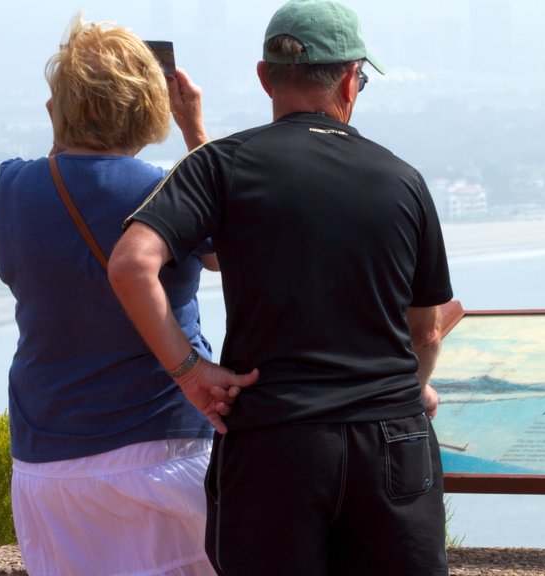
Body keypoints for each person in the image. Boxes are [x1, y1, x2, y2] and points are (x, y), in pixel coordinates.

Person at [108, 1, 453, 574]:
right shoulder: (403, 180)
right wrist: (409, 390)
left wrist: (190, 373)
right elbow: (427, 332)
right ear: (350, 80)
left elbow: (130, 266)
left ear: (265, 76)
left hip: (274, 445)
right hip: (391, 447)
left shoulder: (220, 166)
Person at [0, 14, 233, 576]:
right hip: (161, 449)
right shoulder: (168, 189)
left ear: (57, 106)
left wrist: (64, 132)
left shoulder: (13, 187)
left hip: (48, 461)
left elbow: (24, 223)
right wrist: (195, 133)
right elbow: (227, 254)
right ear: (151, 107)